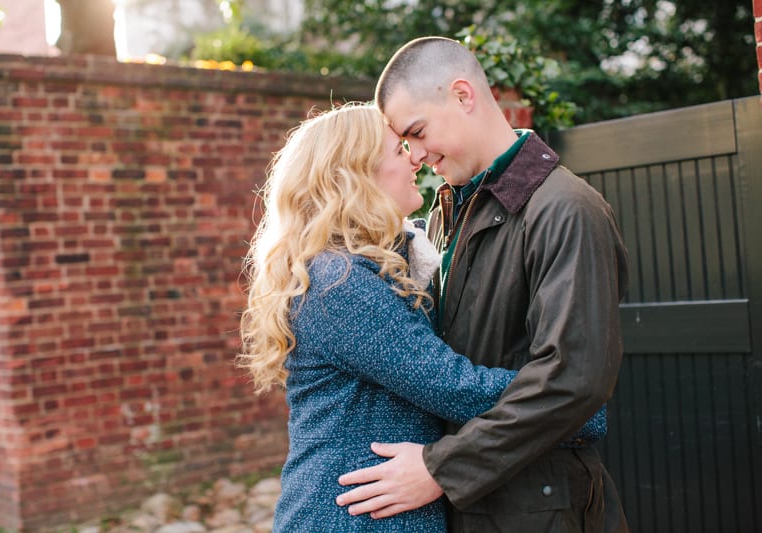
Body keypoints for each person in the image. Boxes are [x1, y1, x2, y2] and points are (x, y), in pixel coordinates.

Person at [239, 102, 606, 532]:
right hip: (351, 516)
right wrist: (573, 403)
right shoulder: (339, 281)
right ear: (356, 175)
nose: (416, 157)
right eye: (399, 150)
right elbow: (451, 386)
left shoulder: (373, 263)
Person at [335, 37, 630, 532]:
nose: (416, 154)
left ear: (463, 96)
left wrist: (441, 468)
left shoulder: (566, 209)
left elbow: (573, 378)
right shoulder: (444, 211)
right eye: (405, 142)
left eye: (419, 132)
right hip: (468, 508)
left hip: (541, 509)